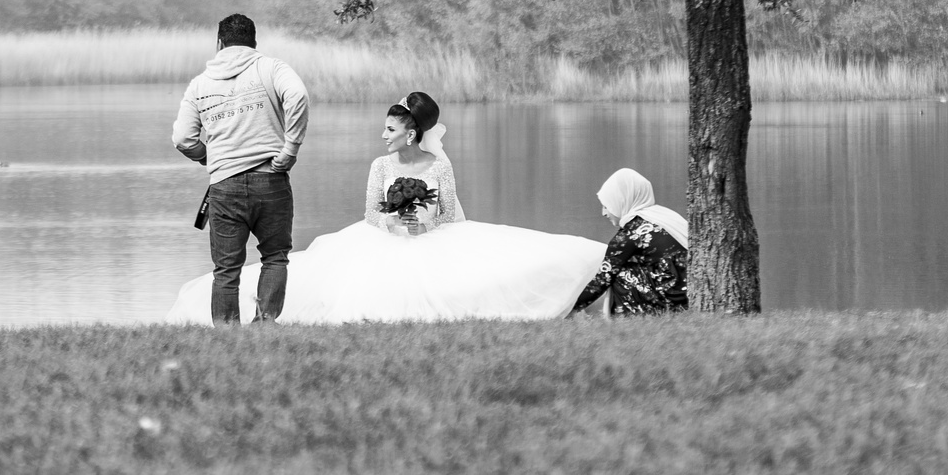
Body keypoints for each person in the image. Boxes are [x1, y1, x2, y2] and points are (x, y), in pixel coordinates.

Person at [168, 91, 607, 323]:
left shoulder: (439, 166)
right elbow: (369, 215)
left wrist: (424, 219)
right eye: (384, 127)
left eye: (391, 128)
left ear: (411, 134)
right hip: (384, 239)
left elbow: (451, 210)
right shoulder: (380, 165)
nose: (383, 134)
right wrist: (397, 219)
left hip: (432, 238)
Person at [172, 13, 310, 325]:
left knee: (226, 269)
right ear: (254, 43)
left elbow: (182, 138)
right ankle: (264, 325)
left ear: (219, 43)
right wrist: (290, 149)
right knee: (274, 257)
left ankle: (226, 334)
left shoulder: (200, 85)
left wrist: (209, 157)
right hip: (270, 180)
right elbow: (298, 95)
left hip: (224, 185)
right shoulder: (271, 67)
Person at [571, 168, 690, 315]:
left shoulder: (629, 234)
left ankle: (628, 319)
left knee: (616, 273)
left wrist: (569, 308)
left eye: (607, 206)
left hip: (673, 300)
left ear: (621, 202)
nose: (604, 213)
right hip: (690, 291)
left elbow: (601, 281)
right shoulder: (665, 216)